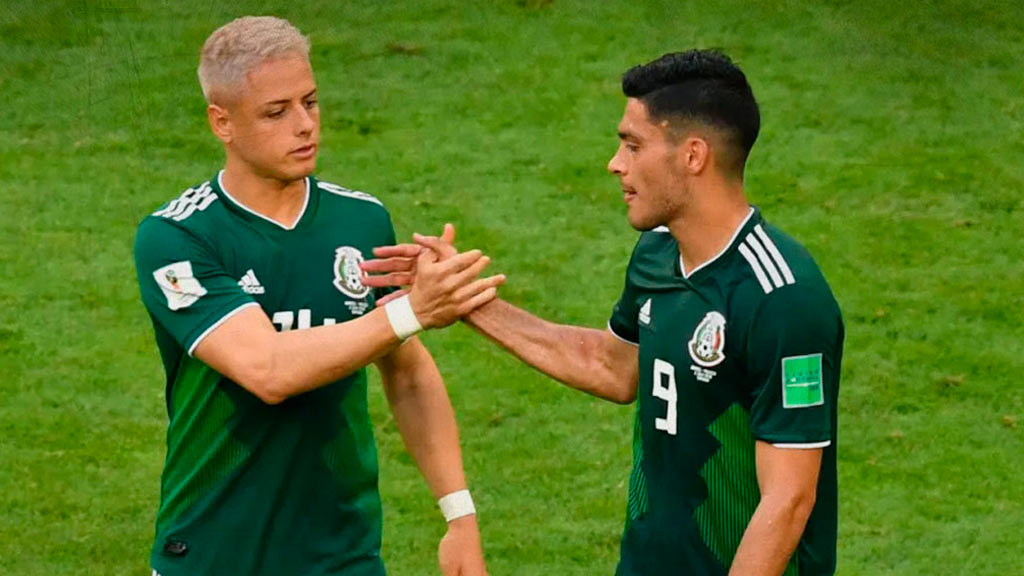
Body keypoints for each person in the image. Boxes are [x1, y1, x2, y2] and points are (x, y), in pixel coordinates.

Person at [363, 50, 844, 575]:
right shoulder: (659, 253)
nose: (616, 163)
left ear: (693, 155)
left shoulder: (782, 298)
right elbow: (613, 367)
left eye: (633, 145)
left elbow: (789, 500)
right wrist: (466, 301)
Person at [133, 16, 501, 576]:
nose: (305, 125)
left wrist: (459, 517)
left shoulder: (359, 219)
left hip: (343, 556)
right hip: (213, 552)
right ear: (222, 123)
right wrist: (411, 310)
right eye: (277, 112)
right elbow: (267, 370)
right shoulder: (178, 239)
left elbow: (406, 371)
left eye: (310, 102)